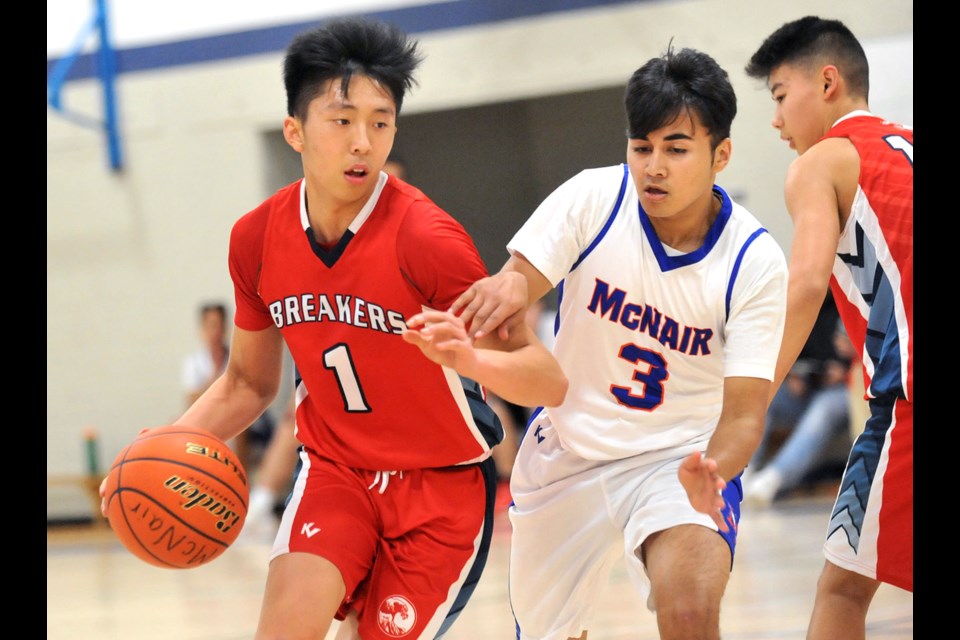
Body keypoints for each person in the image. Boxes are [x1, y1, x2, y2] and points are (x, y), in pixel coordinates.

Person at [102, 16, 567, 640]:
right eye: (342, 120)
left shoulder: (430, 241)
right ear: (295, 130)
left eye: (380, 122)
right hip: (336, 472)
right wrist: (156, 452)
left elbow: (548, 381)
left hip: (439, 491)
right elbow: (245, 383)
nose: (362, 142)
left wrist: (470, 361)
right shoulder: (255, 239)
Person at [452, 44, 787, 640]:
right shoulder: (593, 198)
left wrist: (716, 467)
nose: (653, 166)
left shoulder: (754, 261)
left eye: (676, 149)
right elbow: (515, 283)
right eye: (642, 147)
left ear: (721, 154)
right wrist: (498, 295)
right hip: (568, 450)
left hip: (674, 459)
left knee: (688, 610)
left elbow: (742, 414)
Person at [744, 15, 913, 639]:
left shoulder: (822, 164)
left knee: (842, 587)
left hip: (909, 401)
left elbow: (806, 284)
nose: (777, 121)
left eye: (781, 97)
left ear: (827, 82)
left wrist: (751, 397)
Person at [743, 294, 856, 507]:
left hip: (843, 390)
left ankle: (773, 479)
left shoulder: (852, 301)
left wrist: (844, 369)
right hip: (804, 390)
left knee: (824, 408)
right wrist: (793, 374)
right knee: (766, 396)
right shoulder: (802, 302)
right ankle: (742, 470)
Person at [181, 301, 276, 473]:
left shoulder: (237, 358)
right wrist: (218, 380)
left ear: (225, 328)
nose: (214, 332)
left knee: (239, 427)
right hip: (213, 418)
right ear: (202, 330)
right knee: (178, 425)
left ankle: (241, 478)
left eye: (218, 326)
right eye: (210, 326)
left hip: (248, 423)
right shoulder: (194, 363)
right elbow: (193, 403)